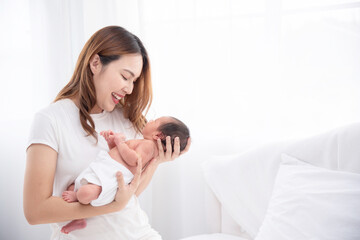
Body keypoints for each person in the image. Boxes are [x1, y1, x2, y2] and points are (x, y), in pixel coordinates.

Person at [23, 25, 191, 240]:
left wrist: (155, 162)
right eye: (125, 76)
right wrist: (110, 206)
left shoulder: (126, 118)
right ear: (95, 63)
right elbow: (35, 211)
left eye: (134, 80)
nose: (130, 89)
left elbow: (128, 194)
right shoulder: (51, 120)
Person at [60, 116, 190, 235]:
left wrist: (119, 142)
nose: (150, 120)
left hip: (110, 177)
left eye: (154, 121)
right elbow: (118, 155)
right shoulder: (144, 143)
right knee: (73, 186)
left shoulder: (149, 146)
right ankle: (79, 219)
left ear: (158, 135)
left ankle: (78, 200)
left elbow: (134, 160)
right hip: (105, 170)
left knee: (83, 194)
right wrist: (111, 143)